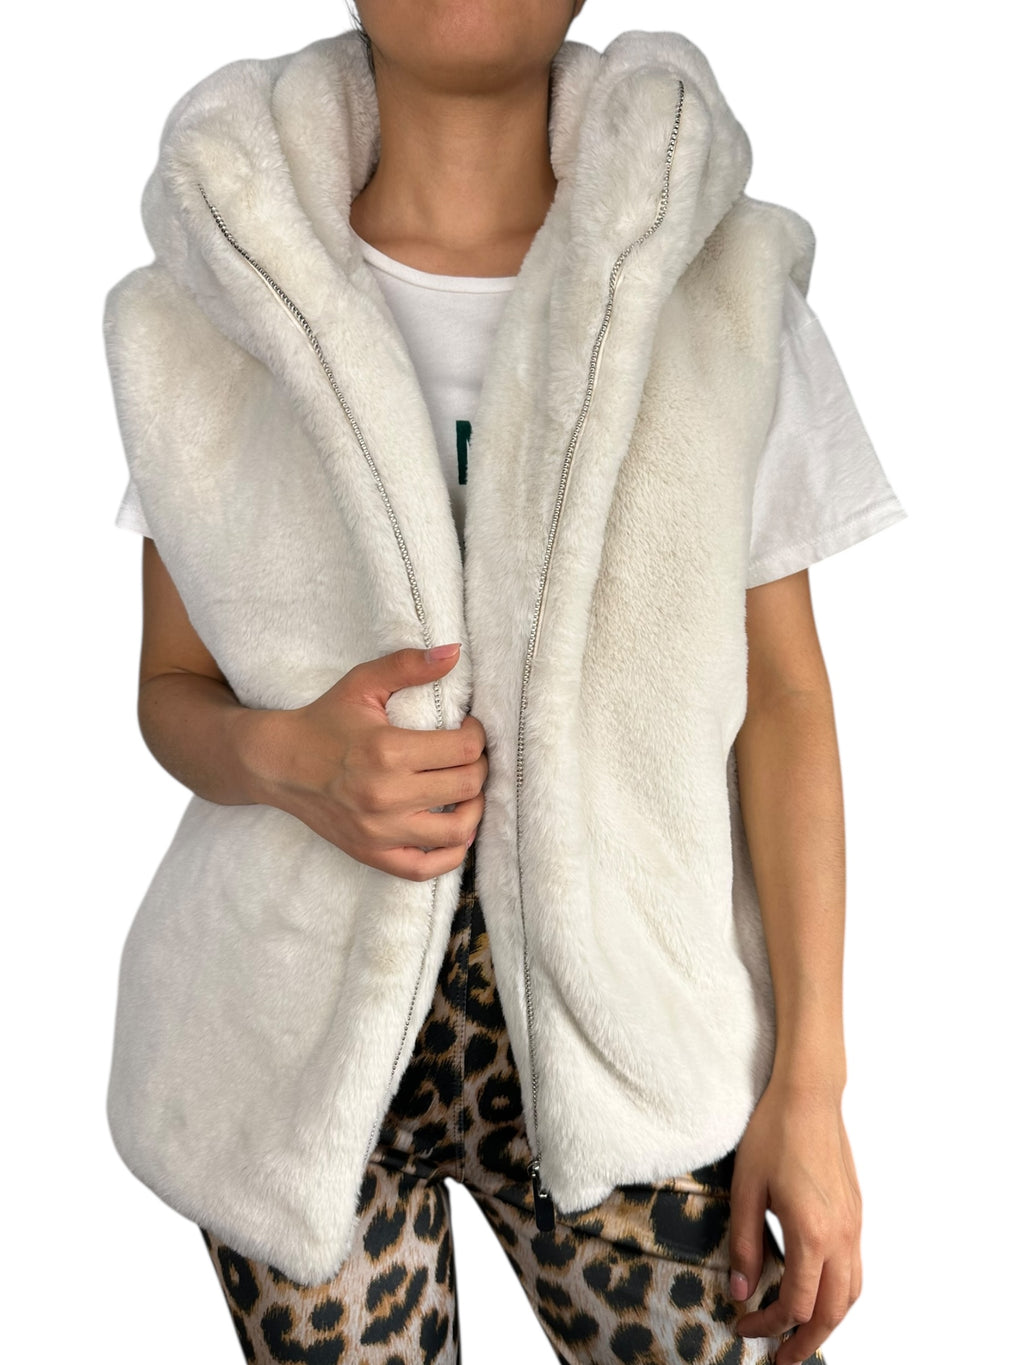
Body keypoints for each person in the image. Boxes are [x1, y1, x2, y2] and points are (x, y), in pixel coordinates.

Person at [104, 2, 907, 1361]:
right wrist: (292, 761)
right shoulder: (214, 306)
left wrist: (812, 1086)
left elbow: (784, 703)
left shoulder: (719, 285)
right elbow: (171, 688)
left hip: (635, 1040)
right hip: (289, 1058)